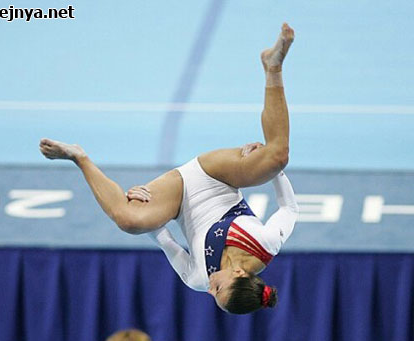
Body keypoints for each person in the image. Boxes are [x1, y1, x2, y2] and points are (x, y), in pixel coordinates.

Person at [39, 23, 298, 314]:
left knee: (129, 221)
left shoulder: (199, 279)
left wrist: (144, 209)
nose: (209, 290)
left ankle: (79, 157)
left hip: (179, 195)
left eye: (214, 295)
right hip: (216, 176)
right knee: (278, 157)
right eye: (218, 289)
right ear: (239, 274)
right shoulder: (265, 244)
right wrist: (270, 168)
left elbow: (164, 239)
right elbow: (289, 209)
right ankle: (273, 66)